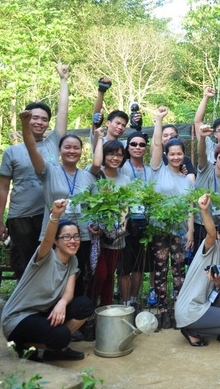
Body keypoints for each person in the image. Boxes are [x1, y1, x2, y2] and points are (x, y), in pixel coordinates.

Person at [0, 63, 70, 280]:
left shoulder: (54, 143)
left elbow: (63, 111)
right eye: (35, 117)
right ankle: (21, 310)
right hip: (22, 217)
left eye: (44, 119)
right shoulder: (12, 152)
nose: (39, 122)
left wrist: (63, 80)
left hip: (50, 215)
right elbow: (2, 189)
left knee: (49, 264)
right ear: (26, 119)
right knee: (24, 266)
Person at [1, 199, 94, 362]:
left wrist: (62, 303)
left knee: (85, 306)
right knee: (61, 335)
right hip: (18, 318)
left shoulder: (72, 261)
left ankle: (56, 349)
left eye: (76, 236)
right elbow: (46, 240)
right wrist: (56, 215)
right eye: (66, 237)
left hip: (43, 313)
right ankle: (24, 346)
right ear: (56, 242)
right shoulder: (45, 256)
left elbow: (69, 293)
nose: (73, 241)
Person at [20, 111, 96, 297]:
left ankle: (74, 319)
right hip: (53, 236)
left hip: (81, 237)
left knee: (78, 278)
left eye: (76, 148)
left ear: (81, 151)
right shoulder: (48, 171)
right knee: (50, 279)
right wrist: (24, 124)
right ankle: (49, 318)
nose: (72, 151)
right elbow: (31, 149)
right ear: (60, 150)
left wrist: (95, 224)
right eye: (67, 147)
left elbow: (92, 208)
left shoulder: (88, 177)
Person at [175, 194, 220, 347]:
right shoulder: (211, 247)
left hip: (206, 303)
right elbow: (211, 232)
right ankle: (191, 330)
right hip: (190, 309)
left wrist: (218, 280)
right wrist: (204, 210)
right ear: (219, 235)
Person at [150, 106, 195, 328]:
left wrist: (191, 231)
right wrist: (159, 119)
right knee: (160, 270)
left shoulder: (187, 181)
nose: (176, 157)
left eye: (179, 153)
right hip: (159, 229)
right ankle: (161, 310)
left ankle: (178, 309)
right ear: (166, 155)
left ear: (183, 155)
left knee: (179, 271)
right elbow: (157, 144)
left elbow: (189, 207)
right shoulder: (158, 169)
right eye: (172, 153)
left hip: (179, 232)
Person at [87, 130, 131, 308]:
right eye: (111, 154)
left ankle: (104, 310)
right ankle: (88, 310)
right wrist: (98, 136)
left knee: (110, 273)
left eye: (119, 155)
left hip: (116, 235)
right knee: (99, 273)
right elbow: (89, 204)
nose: (115, 158)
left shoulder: (125, 179)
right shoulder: (95, 175)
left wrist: (123, 227)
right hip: (95, 234)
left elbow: (125, 207)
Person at [118, 131, 152, 307]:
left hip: (145, 222)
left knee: (139, 265)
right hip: (126, 223)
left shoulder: (150, 170)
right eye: (133, 144)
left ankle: (133, 301)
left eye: (141, 144)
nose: (138, 147)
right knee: (125, 266)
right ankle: (124, 303)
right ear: (127, 147)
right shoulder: (121, 167)